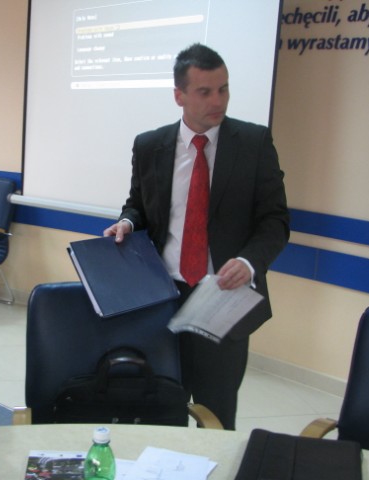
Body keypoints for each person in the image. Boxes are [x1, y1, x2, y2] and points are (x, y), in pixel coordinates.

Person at [104, 43, 290, 429]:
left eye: (223, 89)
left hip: (222, 296)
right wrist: (127, 223)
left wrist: (249, 262)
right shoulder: (150, 145)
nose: (217, 100)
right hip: (161, 295)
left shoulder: (253, 144)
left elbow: (275, 221)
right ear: (180, 96)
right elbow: (138, 205)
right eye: (205, 91)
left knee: (216, 415)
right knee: (161, 408)